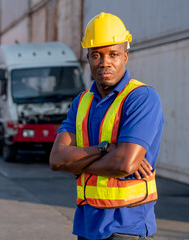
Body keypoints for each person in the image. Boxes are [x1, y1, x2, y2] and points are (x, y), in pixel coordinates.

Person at [49, 12, 164, 240]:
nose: (105, 63)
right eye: (96, 55)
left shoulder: (141, 98)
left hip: (126, 227)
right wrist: (103, 149)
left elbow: (123, 163)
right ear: (89, 58)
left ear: (126, 56)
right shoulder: (81, 102)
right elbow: (56, 160)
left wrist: (76, 164)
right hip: (86, 226)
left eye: (113, 54)